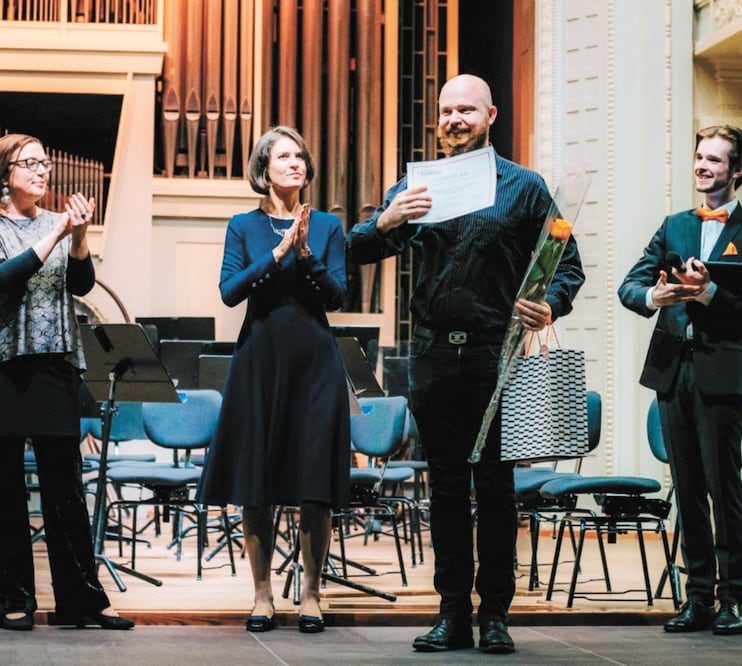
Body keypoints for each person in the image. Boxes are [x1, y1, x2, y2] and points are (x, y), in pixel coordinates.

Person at [346, 74, 585, 654]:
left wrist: (549, 303)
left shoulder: (526, 188)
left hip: (494, 354)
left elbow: (567, 261)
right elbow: (356, 247)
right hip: (431, 353)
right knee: (447, 489)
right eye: (447, 110)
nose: (455, 119)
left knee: (496, 488)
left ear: (490, 116)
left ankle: (495, 615)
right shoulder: (418, 184)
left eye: (466, 110)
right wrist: (387, 221)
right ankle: (452, 613)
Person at [0, 133, 134, 631]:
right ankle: (12, 598)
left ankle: (81, 599)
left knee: (65, 486)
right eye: (31, 163)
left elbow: (80, 284)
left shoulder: (58, 225)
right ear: (4, 174)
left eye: (45, 163)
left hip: (54, 363)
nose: (43, 171)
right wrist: (60, 231)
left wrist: (79, 237)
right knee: (5, 486)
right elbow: (2, 277)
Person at [197, 126, 350, 634]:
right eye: (283, 156)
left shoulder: (327, 226)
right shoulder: (243, 225)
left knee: (315, 485)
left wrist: (305, 255)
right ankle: (262, 595)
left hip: (314, 362)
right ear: (263, 169)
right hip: (259, 360)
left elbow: (337, 296)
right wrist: (279, 253)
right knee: (256, 483)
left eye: (300, 155)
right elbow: (229, 291)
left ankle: (311, 595)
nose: (295, 162)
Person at [619, 125, 742, 636]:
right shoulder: (674, 226)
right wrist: (652, 297)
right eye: (700, 157)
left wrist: (708, 293)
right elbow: (630, 284)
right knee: (685, 489)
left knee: (722, 487)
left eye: (714, 160)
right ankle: (698, 597)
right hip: (671, 371)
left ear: (737, 170)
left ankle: (732, 598)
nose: (702, 166)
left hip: (720, 375)